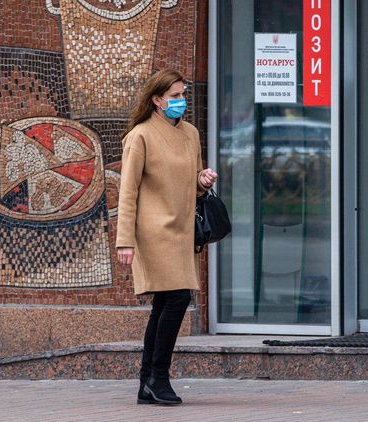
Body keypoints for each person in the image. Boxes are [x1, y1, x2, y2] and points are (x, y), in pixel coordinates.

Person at [116, 69, 218, 405]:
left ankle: (148, 381)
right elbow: (127, 191)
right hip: (153, 233)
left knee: (164, 303)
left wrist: (203, 181)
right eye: (174, 96)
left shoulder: (190, 133)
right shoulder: (140, 136)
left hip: (182, 230)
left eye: (182, 94)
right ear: (157, 100)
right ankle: (158, 377)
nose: (181, 101)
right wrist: (125, 240)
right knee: (177, 298)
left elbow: (193, 185)